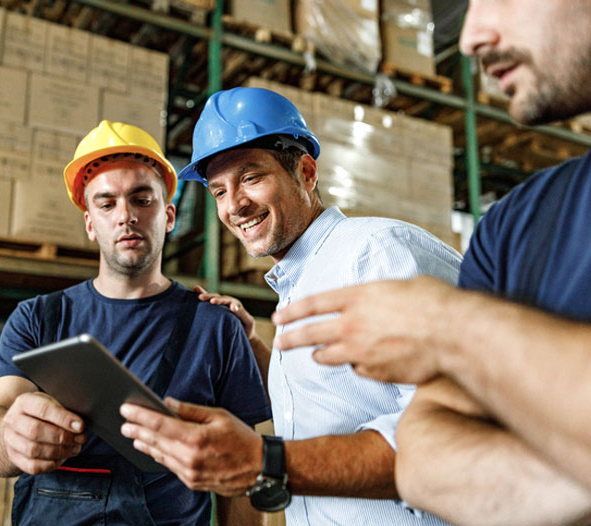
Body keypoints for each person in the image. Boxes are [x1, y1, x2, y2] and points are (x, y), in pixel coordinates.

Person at [271, 0, 591, 524]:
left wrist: (451, 324)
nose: (469, 39)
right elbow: (422, 458)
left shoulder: (378, 251)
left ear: (307, 174)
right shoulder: (514, 227)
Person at [119, 87, 462, 525]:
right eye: (219, 191)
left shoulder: (377, 254)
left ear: (306, 171)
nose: (234, 205)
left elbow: (456, 430)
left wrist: (268, 461)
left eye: (250, 177)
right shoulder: (301, 280)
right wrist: (258, 349)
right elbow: (332, 398)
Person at [0, 120, 271, 526]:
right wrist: (8, 435)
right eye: (107, 203)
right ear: (91, 224)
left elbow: (240, 476)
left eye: (141, 199)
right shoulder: (39, 318)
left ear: (169, 217)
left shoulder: (216, 326)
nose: (125, 216)